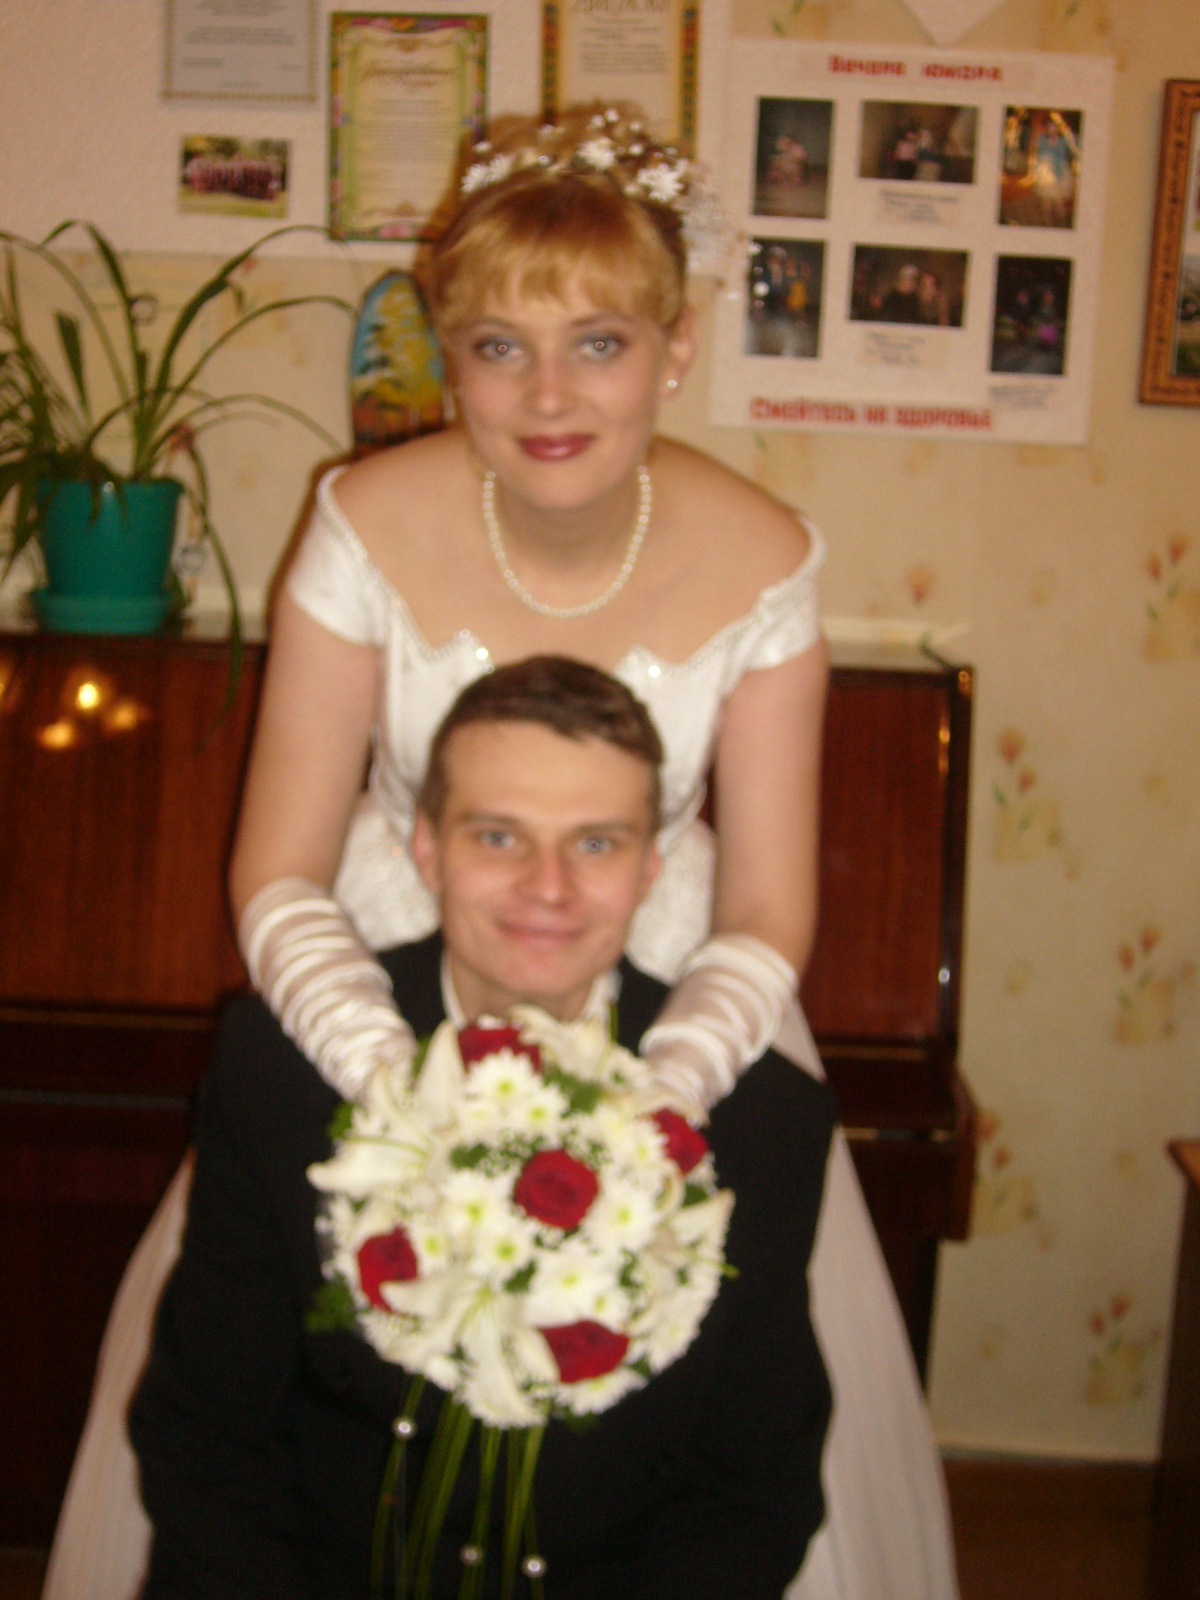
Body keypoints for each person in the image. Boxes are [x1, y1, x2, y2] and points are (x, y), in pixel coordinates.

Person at [44, 104, 959, 1600]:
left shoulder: (768, 559)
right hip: (383, 982)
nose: (548, 395)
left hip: (666, 991)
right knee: (330, 1406)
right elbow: (276, 869)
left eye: (598, 344)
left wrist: (660, 1102)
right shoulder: (357, 520)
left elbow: (769, 905)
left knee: (664, 1431)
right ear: (449, 356)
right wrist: (393, 1076)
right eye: (497, 346)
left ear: (675, 347)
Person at [131, 657, 836, 1598]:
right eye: (499, 837)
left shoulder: (765, 1120)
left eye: (595, 844)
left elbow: (755, 1489)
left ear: (651, 870)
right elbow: (206, 1438)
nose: (548, 887)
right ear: (426, 849)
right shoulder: (277, 1074)